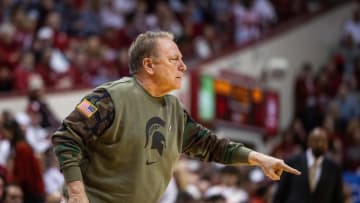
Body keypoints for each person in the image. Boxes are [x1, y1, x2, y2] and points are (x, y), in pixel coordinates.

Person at [51, 30, 301, 203]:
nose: (183, 66)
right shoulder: (110, 98)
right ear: (149, 65)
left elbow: (211, 145)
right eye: (173, 59)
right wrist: (76, 194)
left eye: (181, 59)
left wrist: (258, 158)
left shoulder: (174, 109)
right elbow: (66, 137)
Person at [273, 127, 343, 203]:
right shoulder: (292, 162)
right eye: (316, 140)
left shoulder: (334, 168)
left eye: (323, 141)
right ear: (309, 142)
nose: (320, 144)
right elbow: (280, 195)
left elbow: (338, 199)